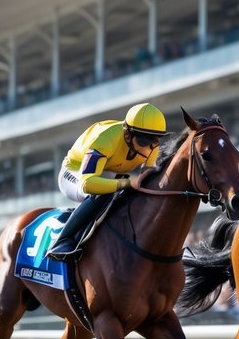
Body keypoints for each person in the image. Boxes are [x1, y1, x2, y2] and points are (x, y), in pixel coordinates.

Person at [47, 103, 167, 262]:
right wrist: (127, 183)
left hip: (109, 172)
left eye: (154, 140)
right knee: (103, 191)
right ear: (128, 135)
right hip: (76, 172)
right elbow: (87, 183)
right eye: (144, 141)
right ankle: (62, 242)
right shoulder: (105, 139)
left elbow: (147, 179)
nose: (149, 148)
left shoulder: (152, 147)